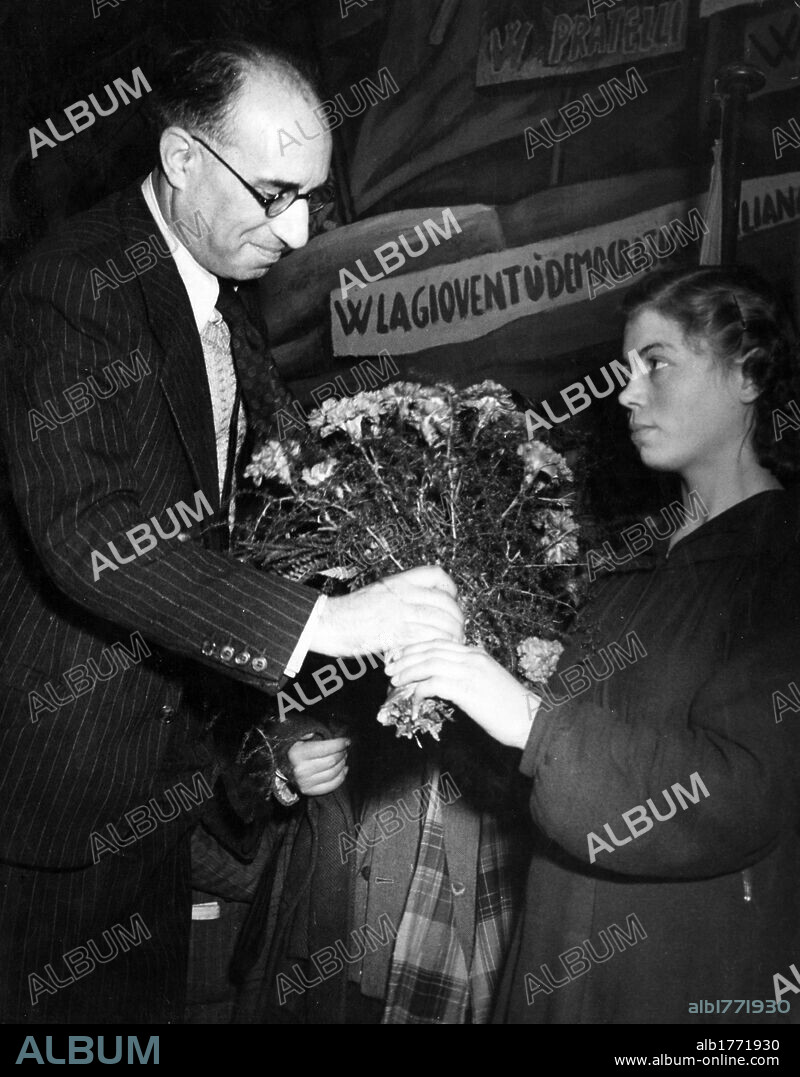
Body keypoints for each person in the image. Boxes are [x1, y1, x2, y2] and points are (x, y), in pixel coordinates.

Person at [0, 38, 462, 1024]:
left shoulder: (221, 311)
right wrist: (321, 627)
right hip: (53, 798)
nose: (297, 235)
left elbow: (238, 527)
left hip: (160, 798)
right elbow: (90, 533)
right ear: (179, 161)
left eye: (313, 201)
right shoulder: (72, 283)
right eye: (274, 194)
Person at [386, 265, 800, 1024]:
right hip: (560, 958)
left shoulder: (779, 561)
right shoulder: (632, 566)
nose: (627, 392)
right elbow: (549, 778)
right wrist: (450, 679)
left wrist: (529, 720)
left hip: (682, 981)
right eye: (625, 369)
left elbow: (742, 793)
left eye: (658, 363)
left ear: (747, 374)